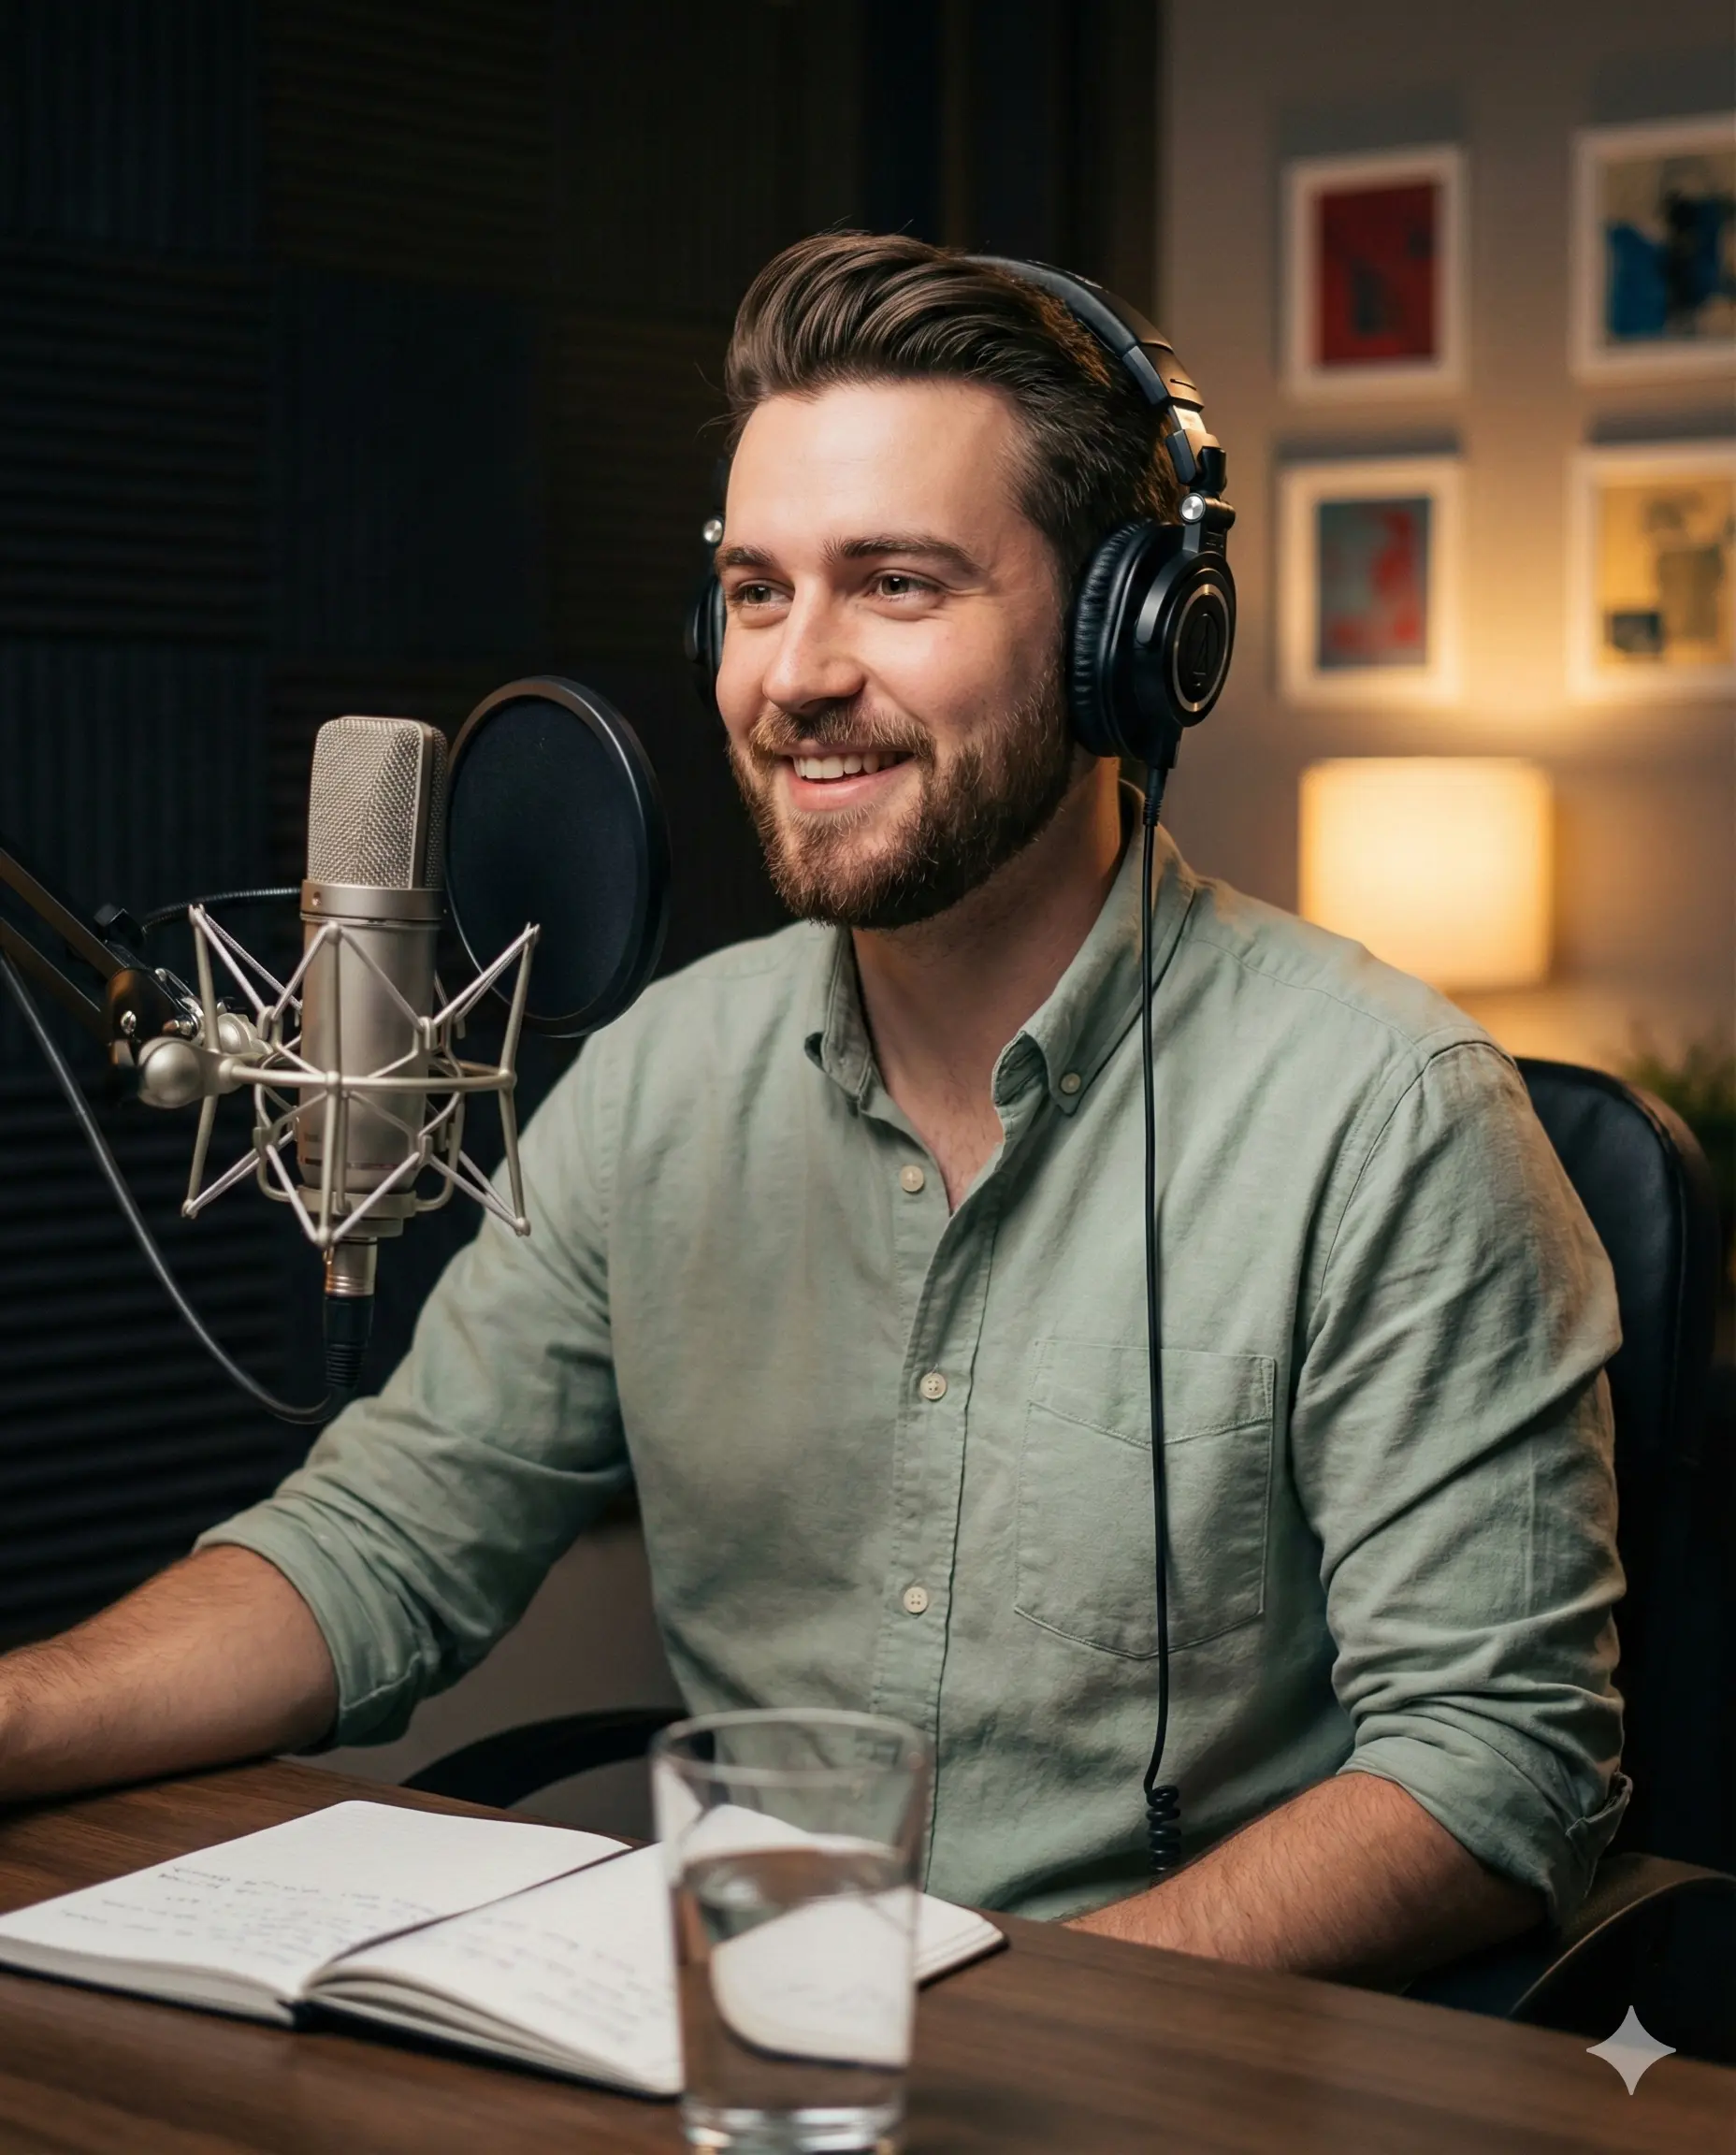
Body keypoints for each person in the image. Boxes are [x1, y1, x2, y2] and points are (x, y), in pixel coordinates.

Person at [0, 235, 1627, 1986]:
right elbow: (380, 1544)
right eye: (758, 591)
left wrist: (979, 2033)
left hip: (1154, 2069)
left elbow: (1495, 1768)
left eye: (897, 584)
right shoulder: (663, 1083)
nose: (796, 674)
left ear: (1125, 638)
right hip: (755, 2040)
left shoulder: (1384, 1120)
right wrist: (18, 1718)